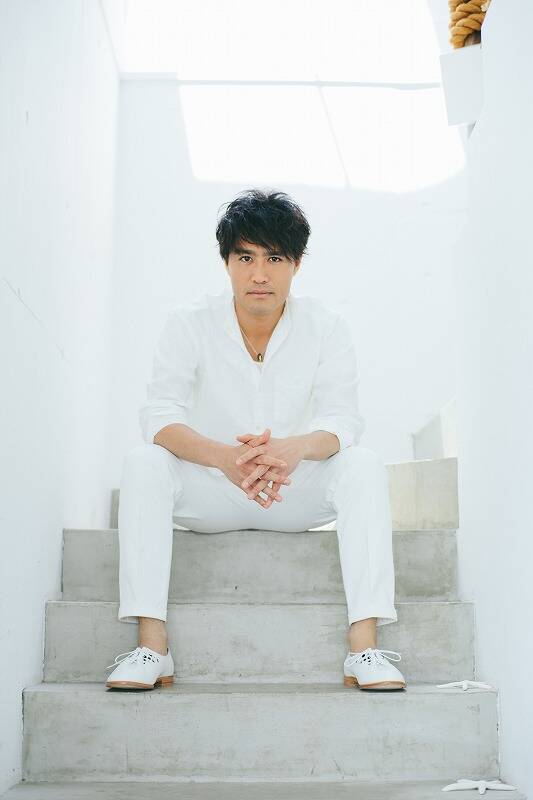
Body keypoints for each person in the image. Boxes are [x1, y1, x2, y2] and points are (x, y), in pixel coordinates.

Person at [105, 188, 406, 692]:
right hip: (213, 491)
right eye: (245, 258)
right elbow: (159, 416)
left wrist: (293, 450)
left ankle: (364, 649)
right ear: (226, 262)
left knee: (364, 463)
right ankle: (152, 648)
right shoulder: (188, 323)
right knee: (143, 461)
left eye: (274, 258)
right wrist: (223, 458)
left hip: (291, 492)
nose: (259, 274)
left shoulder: (327, 327)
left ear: (296, 264)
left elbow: (343, 420)